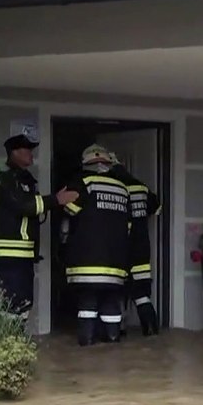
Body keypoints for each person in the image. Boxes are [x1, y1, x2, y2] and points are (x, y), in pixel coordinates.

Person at [0, 134, 75, 320]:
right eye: (26, 150)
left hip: (25, 253)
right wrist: (55, 200)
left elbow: (32, 206)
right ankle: (8, 342)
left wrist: (52, 201)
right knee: (13, 303)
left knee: (25, 302)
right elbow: (23, 206)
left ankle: (17, 341)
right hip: (10, 252)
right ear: (14, 153)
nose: (31, 154)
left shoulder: (26, 179)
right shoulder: (5, 180)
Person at [60, 144, 133, 346]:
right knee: (111, 300)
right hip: (116, 261)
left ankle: (87, 341)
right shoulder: (122, 188)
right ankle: (112, 338)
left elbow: (69, 211)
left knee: (88, 301)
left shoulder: (83, 182)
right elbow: (128, 225)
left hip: (86, 260)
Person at [107, 152, 163, 336]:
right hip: (141, 247)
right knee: (141, 292)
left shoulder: (114, 188)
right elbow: (156, 208)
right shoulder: (141, 187)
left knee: (116, 289)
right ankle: (152, 329)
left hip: (121, 247)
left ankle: (118, 329)